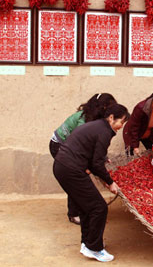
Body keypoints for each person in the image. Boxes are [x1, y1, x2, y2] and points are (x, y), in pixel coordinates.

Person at [53, 103, 130, 262]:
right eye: (121, 122)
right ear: (111, 118)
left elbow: (92, 154)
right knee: (98, 207)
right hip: (70, 169)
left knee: (86, 207)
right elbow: (96, 164)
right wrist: (110, 182)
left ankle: (87, 244)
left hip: (62, 166)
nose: (122, 126)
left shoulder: (96, 126)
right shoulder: (104, 132)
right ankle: (95, 248)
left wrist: (101, 163)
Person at [49, 93, 116, 225]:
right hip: (60, 146)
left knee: (77, 179)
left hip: (70, 149)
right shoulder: (85, 119)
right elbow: (81, 144)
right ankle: (74, 214)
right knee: (75, 178)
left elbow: (94, 142)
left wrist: (102, 157)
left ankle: (82, 211)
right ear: (102, 107)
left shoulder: (95, 118)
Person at [123, 90, 153, 157]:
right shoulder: (141, 108)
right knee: (131, 156)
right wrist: (135, 146)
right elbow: (134, 127)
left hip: (148, 134)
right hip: (132, 133)